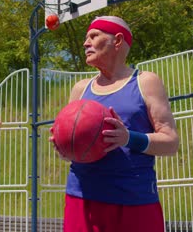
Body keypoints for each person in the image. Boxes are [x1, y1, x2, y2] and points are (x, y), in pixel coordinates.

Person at [51, 16, 179, 232]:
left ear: (117, 41)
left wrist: (129, 138)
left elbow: (170, 142)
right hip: (82, 198)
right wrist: (64, 146)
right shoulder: (80, 89)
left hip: (133, 200)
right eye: (86, 38)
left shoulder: (145, 81)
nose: (86, 43)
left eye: (94, 36)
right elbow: (73, 148)